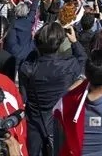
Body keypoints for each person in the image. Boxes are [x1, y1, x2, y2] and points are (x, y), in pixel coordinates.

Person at [17, 21, 87, 156]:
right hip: (57, 121)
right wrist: (74, 42)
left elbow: (23, 96)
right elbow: (83, 59)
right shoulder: (68, 66)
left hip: (34, 120)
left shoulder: (27, 68)